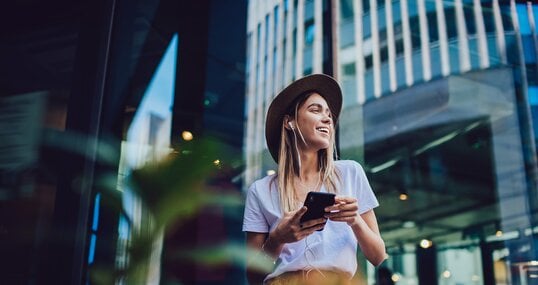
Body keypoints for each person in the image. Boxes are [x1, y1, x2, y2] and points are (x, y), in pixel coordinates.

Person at [242, 74, 386, 285]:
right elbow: (252, 277)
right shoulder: (261, 190)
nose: (328, 118)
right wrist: (277, 239)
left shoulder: (350, 172)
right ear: (289, 122)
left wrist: (355, 220)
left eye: (329, 114)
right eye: (315, 110)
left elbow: (378, 256)